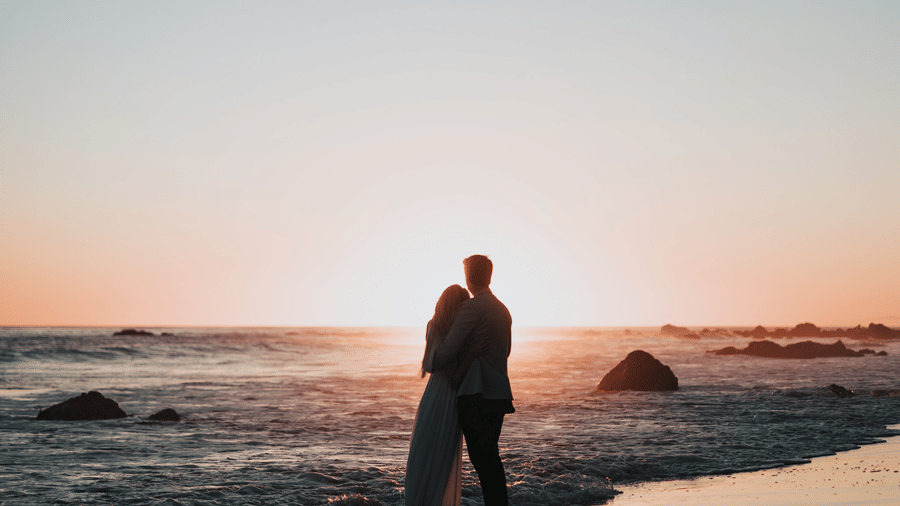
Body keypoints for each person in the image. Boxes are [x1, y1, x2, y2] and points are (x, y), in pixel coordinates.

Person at [432, 255, 514, 506]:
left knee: (483, 460)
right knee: (490, 458)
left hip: (476, 394)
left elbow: (445, 352)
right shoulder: (503, 309)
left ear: (469, 276)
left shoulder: (471, 308)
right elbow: (506, 351)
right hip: (499, 393)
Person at [405, 284, 489, 506]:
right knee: (441, 457)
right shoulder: (460, 334)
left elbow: (430, 365)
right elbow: (451, 373)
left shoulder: (435, 326)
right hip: (451, 396)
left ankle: (417, 499)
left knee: (423, 453)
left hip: (433, 394)